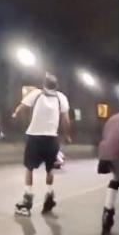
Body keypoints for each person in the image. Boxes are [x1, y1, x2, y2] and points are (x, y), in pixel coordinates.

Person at [12, 72, 72, 216]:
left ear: (43, 84)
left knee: (29, 168)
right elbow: (66, 119)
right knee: (50, 169)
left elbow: (22, 107)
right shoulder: (61, 97)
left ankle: (27, 199)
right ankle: (50, 195)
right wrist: (68, 135)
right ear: (56, 86)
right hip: (51, 138)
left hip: (35, 137)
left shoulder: (36, 93)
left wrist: (16, 114)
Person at [97, 112, 119, 235]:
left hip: (107, 153)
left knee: (116, 179)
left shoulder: (112, 118)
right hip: (118, 152)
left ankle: (107, 211)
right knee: (118, 178)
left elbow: (106, 135)